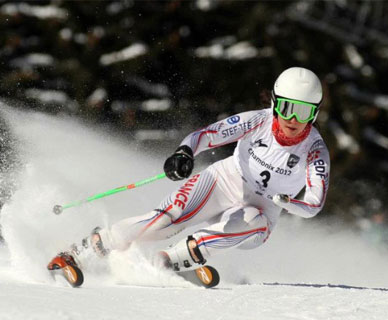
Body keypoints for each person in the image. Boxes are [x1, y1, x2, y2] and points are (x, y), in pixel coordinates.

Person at [48, 67, 331, 282]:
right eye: (288, 108)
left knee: (250, 221)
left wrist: (285, 202)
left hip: (262, 211)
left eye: (304, 112)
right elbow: (206, 135)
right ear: (275, 104)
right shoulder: (258, 121)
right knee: (162, 222)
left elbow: (314, 205)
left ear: (314, 114)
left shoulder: (315, 151)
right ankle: (80, 252)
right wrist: (185, 153)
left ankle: (172, 261)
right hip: (224, 181)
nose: (294, 120)